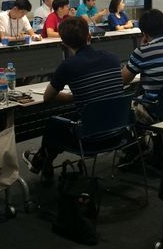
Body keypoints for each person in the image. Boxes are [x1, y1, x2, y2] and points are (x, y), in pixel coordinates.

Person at [22, 17, 124, 179]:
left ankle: (41, 160)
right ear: (89, 36)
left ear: (64, 43)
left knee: (54, 124)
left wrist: (74, 97)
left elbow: (48, 97)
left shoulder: (68, 66)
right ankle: (41, 159)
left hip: (90, 140)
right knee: (71, 119)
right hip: (119, 133)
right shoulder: (112, 58)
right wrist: (81, 96)